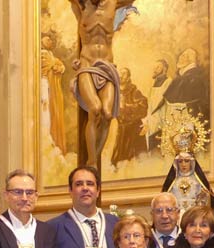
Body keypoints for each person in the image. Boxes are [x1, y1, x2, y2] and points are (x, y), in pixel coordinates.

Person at [68, 0, 136, 165]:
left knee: (107, 113)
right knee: (95, 109)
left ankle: (94, 161)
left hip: (106, 66)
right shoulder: (81, 5)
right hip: (87, 64)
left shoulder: (113, 3)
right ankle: (91, 161)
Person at [110, 67, 148, 167]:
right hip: (121, 128)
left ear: (128, 78)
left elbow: (143, 107)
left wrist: (126, 106)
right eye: (120, 73)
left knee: (136, 160)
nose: (121, 76)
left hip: (134, 129)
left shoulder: (134, 91)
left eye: (124, 74)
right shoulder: (114, 91)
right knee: (119, 160)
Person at [163, 47, 209, 124]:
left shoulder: (192, 78)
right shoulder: (183, 77)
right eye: (181, 55)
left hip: (187, 120)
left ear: (190, 60)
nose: (180, 57)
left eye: (183, 55)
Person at [141, 58, 171, 152]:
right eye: (154, 67)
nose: (154, 69)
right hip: (152, 118)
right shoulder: (153, 83)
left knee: (159, 143)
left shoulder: (168, 82)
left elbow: (163, 101)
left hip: (162, 117)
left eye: (158, 67)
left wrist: (153, 116)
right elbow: (150, 102)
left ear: (164, 69)